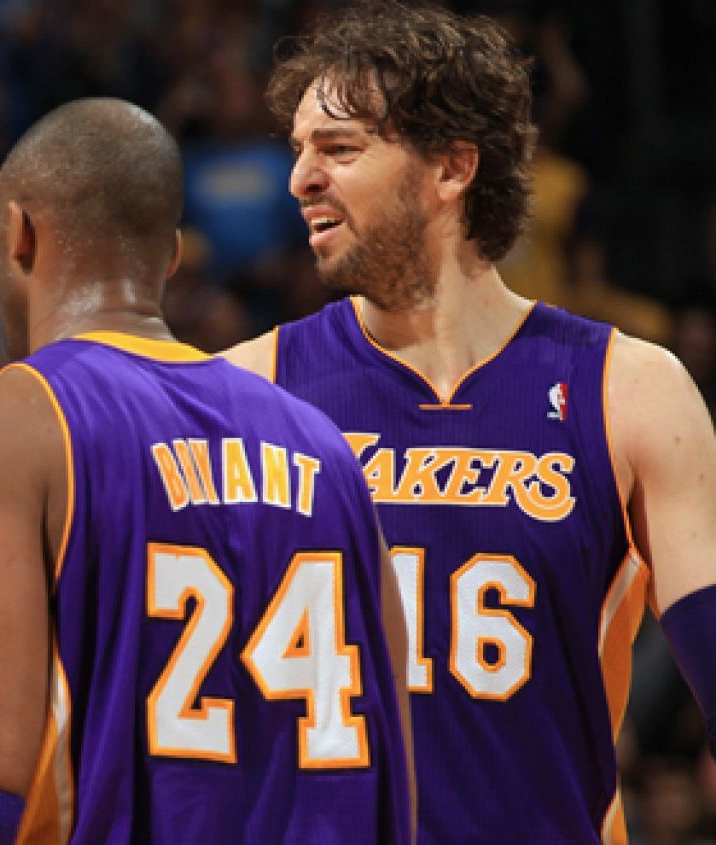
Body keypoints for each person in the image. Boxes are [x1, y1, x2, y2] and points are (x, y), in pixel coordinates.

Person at [222, 4, 716, 842]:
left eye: (338, 148)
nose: (302, 177)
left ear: (451, 169)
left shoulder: (628, 389)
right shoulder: (243, 390)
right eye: (298, 149)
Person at [0, 98, 413, 844]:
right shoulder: (328, 451)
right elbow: (397, 778)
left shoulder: (3, 426)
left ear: (17, 233)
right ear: (169, 257)